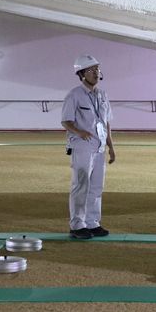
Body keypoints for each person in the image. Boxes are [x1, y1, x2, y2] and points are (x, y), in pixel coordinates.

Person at [62, 54, 116, 240]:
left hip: (99, 147)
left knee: (96, 187)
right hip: (82, 147)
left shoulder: (102, 95)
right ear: (82, 74)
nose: (96, 73)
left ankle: (93, 223)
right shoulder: (74, 95)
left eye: (97, 69)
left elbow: (107, 123)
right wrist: (80, 132)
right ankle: (77, 225)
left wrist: (111, 146)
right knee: (81, 185)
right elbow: (66, 121)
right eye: (91, 70)